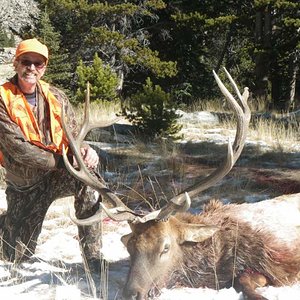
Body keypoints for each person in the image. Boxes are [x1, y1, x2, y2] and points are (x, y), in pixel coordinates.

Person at [0, 38, 102, 268]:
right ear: (16, 63)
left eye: (38, 63)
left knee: (89, 178)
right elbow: (19, 149)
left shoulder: (57, 97)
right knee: (15, 255)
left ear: (44, 67)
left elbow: (75, 138)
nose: (32, 68)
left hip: (56, 177)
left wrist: (85, 151)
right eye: (26, 61)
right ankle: (6, 225)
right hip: (25, 187)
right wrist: (64, 162)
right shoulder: (2, 99)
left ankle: (93, 259)